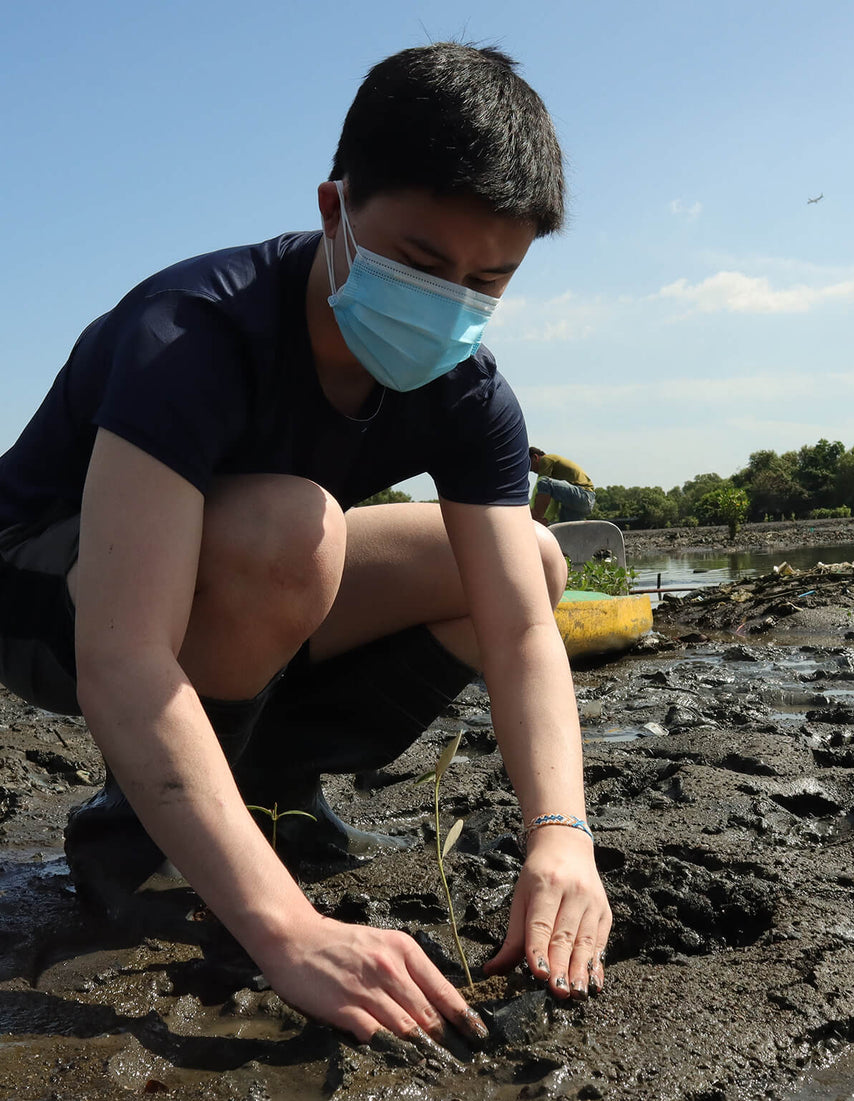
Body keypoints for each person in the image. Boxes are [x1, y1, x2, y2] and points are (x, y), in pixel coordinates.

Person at [0, 43, 610, 1047]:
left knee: (529, 568)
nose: (449, 304)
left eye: (487, 281)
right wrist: (286, 932)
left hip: (225, 585)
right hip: (47, 599)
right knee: (292, 530)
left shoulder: (467, 394)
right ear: (334, 209)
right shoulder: (192, 335)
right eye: (419, 263)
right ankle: (141, 833)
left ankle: (271, 795)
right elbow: (123, 656)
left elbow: (519, 635)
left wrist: (563, 837)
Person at [529, 446, 596, 523]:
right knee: (567, 529)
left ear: (535, 457)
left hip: (583, 494)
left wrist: (534, 517)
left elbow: (539, 486)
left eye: (529, 465)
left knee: (544, 482)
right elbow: (552, 501)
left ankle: (536, 516)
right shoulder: (554, 480)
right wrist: (546, 520)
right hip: (580, 501)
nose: (531, 470)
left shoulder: (546, 459)